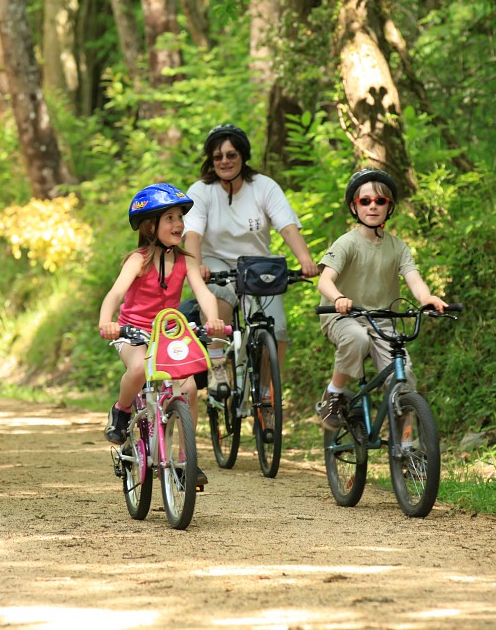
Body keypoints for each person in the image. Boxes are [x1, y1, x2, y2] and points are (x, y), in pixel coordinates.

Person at [99, 183, 225, 485]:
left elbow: (204, 294)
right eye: (170, 218)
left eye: (180, 217)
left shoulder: (186, 261)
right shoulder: (138, 260)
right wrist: (107, 321)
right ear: (150, 225)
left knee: (190, 388)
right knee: (140, 368)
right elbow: (115, 294)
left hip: (169, 335)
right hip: (133, 333)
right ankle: (122, 411)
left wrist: (214, 319)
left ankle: (185, 461)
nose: (179, 224)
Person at [183, 124, 318, 391]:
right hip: (215, 261)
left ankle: (268, 395)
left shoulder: (263, 186)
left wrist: (305, 260)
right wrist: (197, 265)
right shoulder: (201, 190)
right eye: (218, 156)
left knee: (276, 329)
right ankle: (219, 364)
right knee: (219, 293)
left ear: (243, 156)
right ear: (211, 160)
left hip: (256, 264)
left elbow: (287, 227)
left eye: (231, 155)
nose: (225, 161)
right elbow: (193, 235)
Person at [314, 168, 447, 430]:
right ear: (355, 207)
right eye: (365, 201)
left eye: (380, 201)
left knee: (404, 376)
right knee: (357, 338)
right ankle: (334, 393)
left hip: (382, 319)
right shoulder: (346, 243)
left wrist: (427, 298)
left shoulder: (398, 246)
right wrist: (339, 298)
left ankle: (407, 446)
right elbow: (324, 281)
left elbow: (414, 280)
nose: (372, 206)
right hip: (342, 316)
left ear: (390, 207)